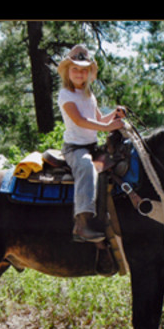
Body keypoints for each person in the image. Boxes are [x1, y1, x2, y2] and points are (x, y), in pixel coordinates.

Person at [56, 45, 126, 243]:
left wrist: (114, 115)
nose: (79, 73)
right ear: (68, 72)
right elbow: (79, 121)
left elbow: (100, 120)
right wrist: (107, 127)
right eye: (75, 69)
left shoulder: (89, 95)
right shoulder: (66, 95)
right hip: (75, 148)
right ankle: (82, 224)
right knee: (86, 168)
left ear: (89, 73)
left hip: (92, 145)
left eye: (84, 69)